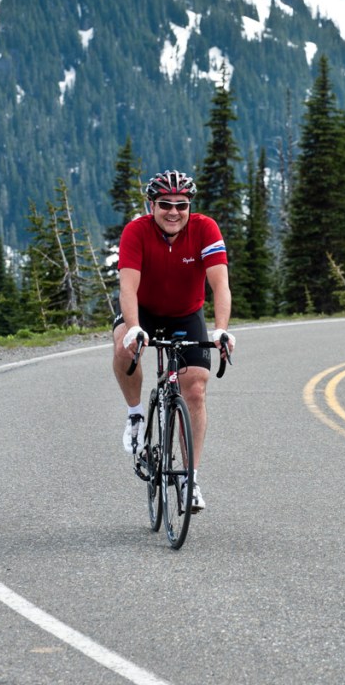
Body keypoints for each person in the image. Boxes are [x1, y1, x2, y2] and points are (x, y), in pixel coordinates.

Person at [112, 168, 236, 512]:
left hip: (186, 313)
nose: (173, 212)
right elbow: (127, 288)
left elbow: (220, 284)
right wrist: (135, 327)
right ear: (151, 204)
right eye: (165, 204)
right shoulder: (135, 232)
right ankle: (136, 414)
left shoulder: (205, 229)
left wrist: (221, 328)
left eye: (181, 205)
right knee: (124, 340)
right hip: (145, 310)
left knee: (195, 388)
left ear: (189, 206)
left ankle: (189, 478)